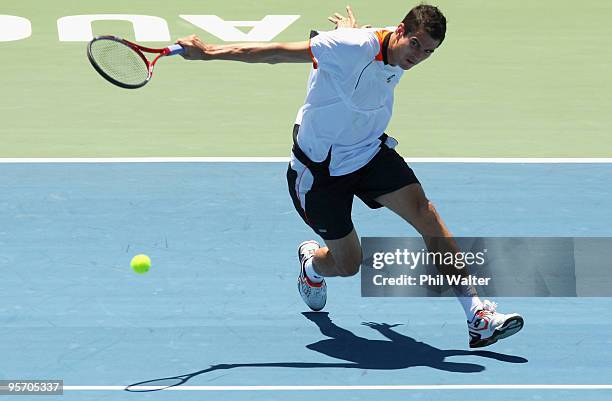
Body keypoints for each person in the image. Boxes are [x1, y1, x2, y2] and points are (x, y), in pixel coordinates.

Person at [176, 4, 524, 348]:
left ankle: (477, 314)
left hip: (368, 152)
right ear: (401, 31)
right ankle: (312, 264)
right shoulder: (350, 47)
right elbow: (272, 53)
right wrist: (207, 52)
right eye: (415, 44)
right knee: (348, 265)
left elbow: (368, 51)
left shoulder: (387, 48)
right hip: (320, 171)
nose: (417, 56)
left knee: (426, 214)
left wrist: (349, 30)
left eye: (428, 52)